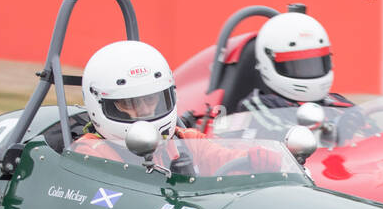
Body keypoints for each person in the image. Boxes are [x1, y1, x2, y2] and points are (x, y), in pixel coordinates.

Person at [75, 40, 279, 174]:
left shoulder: (186, 141)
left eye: (152, 99)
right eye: (129, 104)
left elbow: (222, 157)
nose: (145, 111)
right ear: (100, 105)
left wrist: (256, 159)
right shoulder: (91, 154)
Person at [234, 9, 352, 118]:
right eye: (298, 66)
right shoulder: (256, 106)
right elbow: (285, 132)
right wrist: (335, 126)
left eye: (315, 64)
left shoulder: (336, 102)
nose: (309, 70)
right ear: (268, 62)